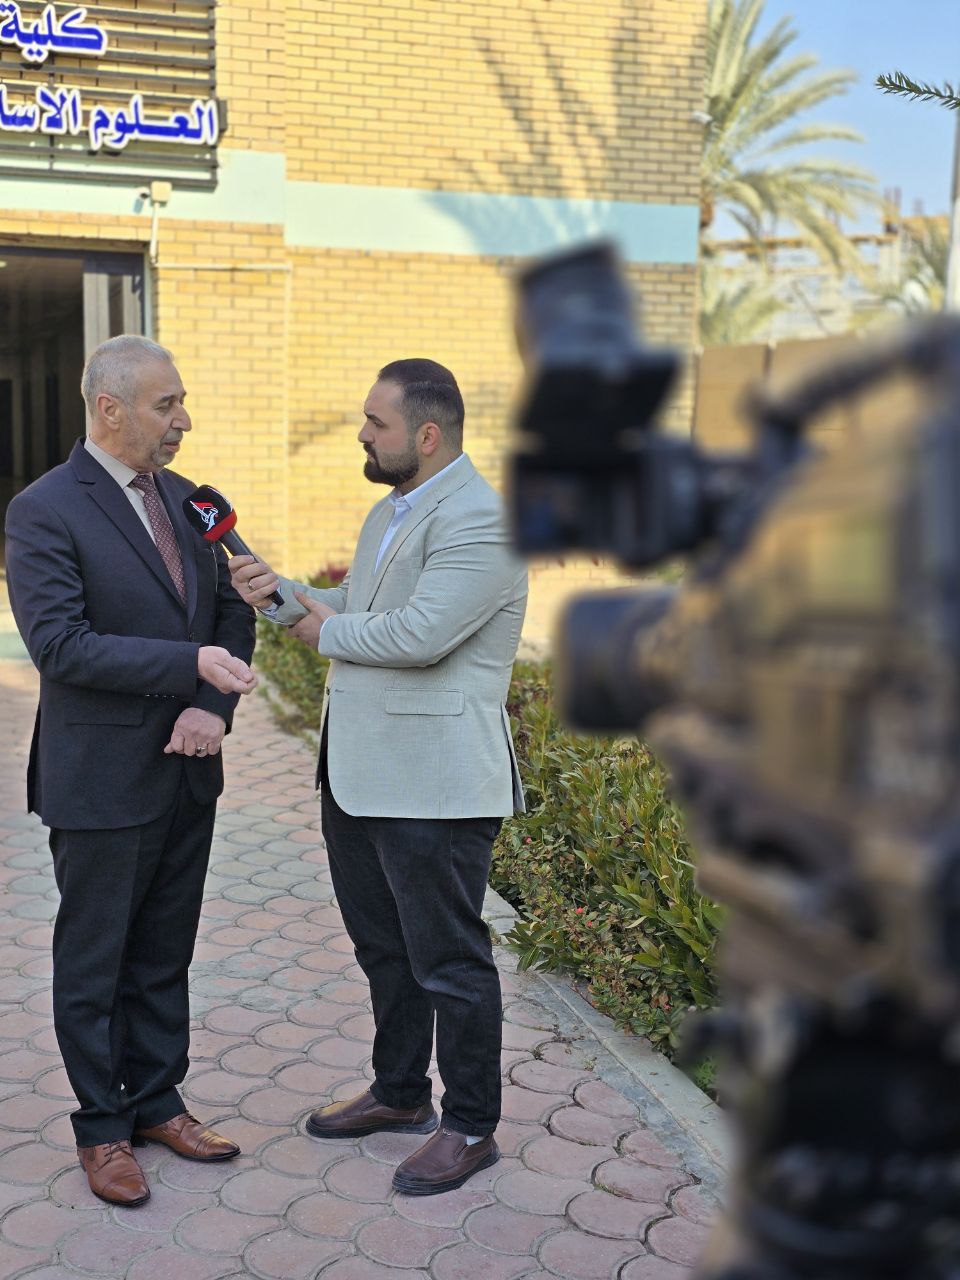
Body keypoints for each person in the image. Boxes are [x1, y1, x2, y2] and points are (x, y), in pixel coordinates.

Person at [230, 358, 527, 1195]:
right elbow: (356, 605)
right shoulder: (390, 510)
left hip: (435, 784)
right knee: (385, 952)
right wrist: (276, 593)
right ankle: (400, 1093)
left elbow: (418, 635)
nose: (362, 434)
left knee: (449, 962)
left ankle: (471, 1127)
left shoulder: (483, 520)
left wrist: (316, 630)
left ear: (426, 435)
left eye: (375, 422)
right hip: (359, 775)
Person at [4, 335, 257, 1208]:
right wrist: (189, 666)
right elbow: (60, 645)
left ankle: (157, 1103)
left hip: (188, 769)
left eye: (182, 402)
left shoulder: (194, 503)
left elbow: (231, 613)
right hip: (100, 778)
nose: (184, 421)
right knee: (96, 962)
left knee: (163, 953)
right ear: (109, 409)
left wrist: (211, 707)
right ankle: (102, 1128)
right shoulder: (43, 510)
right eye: (166, 404)